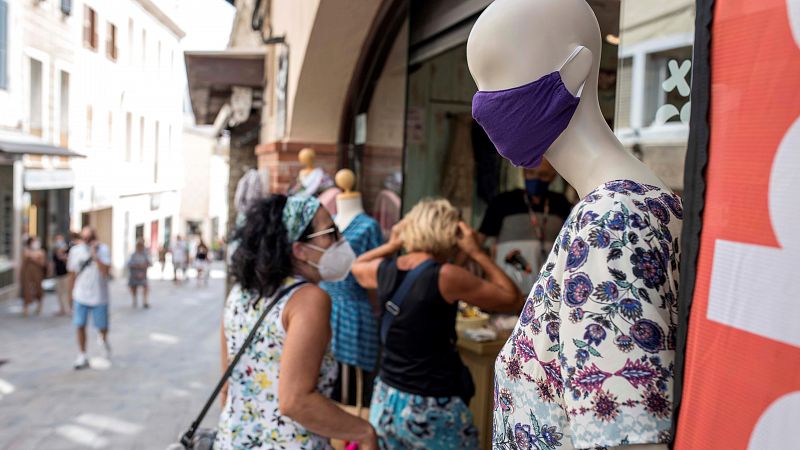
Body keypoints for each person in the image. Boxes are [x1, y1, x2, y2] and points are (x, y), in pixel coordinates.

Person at [351, 198, 521, 449]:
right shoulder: (445, 275)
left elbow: (357, 266)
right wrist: (475, 251)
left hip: (387, 396)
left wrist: (393, 244)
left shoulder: (386, 269)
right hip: (431, 403)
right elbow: (511, 298)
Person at [215, 195, 378, 450]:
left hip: (233, 441)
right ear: (299, 249)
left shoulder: (240, 292)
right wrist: (364, 432)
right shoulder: (309, 300)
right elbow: (296, 401)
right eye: (331, 232)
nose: (341, 241)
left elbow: (228, 385)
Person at [67, 226, 112, 370]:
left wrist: (95, 255)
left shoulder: (103, 250)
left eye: (90, 238)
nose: (87, 241)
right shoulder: (75, 251)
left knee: (102, 326)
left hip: (99, 296)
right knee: (80, 325)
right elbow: (72, 274)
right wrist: (70, 295)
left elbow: (105, 272)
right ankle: (82, 354)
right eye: (84, 238)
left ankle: (103, 339)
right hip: (80, 295)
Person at [20, 237, 46, 316]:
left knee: (38, 289)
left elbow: (43, 263)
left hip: (37, 274)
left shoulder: (41, 252)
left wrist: (34, 258)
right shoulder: (26, 251)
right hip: (27, 274)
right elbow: (23, 261)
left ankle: (39, 306)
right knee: (27, 290)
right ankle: (25, 308)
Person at [127, 239, 151, 308]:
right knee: (133, 287)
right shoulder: (133, 255)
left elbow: (149, 263)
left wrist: (143, 266)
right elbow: (129, 264)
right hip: (134, 274)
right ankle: (134, 299)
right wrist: (136, 265)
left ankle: (145, 301)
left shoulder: (145, 255)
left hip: (143, 274)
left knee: (146, 286)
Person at [52, 234, 71, 316]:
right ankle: (62, 308)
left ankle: (68, 308)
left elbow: (69, 261)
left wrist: (63, 256)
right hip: (58, 274)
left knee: (66, 292)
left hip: (66, 274)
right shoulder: (54, 251)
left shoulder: (67, 250)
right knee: (59, 292)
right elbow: (53, 262)